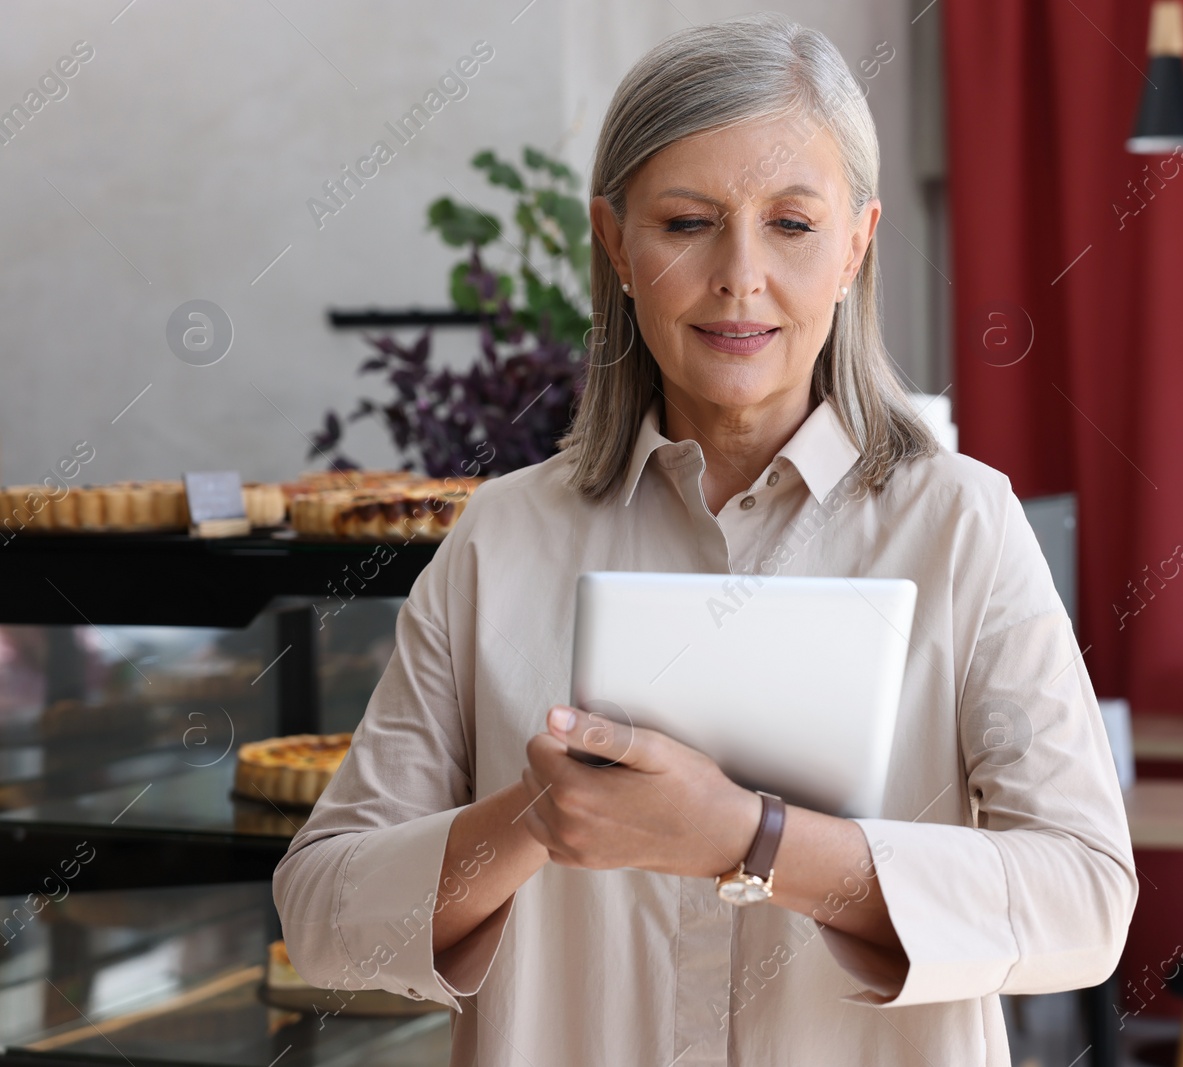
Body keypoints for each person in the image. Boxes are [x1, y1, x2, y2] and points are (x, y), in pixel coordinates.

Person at [273, 12, 1135, 1066]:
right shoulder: (502, 538)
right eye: (687, 222)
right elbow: (322, 913)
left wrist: (751, 839)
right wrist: (537, 818)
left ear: (855, 246)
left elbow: (1086, 901)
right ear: (615, 244)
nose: (739, 274)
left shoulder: (962, 524)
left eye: (791, 223)